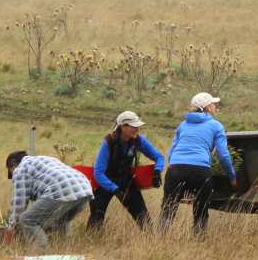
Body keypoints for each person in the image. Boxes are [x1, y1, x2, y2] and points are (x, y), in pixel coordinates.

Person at [159, 92, 237, 235]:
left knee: (168, 209)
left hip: (176, 169)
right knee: (201, 210)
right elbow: (223, 155)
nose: (215, 106)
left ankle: (159, 239)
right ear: (207, 107)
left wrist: (172, 165)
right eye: (213, 104)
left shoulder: (182, 125)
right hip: (200, 171)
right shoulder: (216, 126)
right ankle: (198, 240)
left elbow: (173, 149)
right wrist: (232, 177)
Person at [88, 111, 165, 231]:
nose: (137, 129)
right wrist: (115, 190)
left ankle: (151, 240)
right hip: (105, 181)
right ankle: (91, 239)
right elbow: (98, 172)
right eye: (133, 126)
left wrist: (157, 171)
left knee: (144, 221)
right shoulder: (108, 142)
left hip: (126, 180)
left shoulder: (139, 140)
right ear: (122, 127)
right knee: (96, 219)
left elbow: (159, 157)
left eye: (137, 126)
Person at [5, 151, 94, 249]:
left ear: (12, 164)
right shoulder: (44, 160)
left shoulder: (20, 168)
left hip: (61, 189)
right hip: (84, 188)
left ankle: (40, 254)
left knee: (28, 220)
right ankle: (67, 252)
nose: (13, 176)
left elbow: (19, 204)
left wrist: (11, 227)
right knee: (61, 221)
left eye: (10, 173)